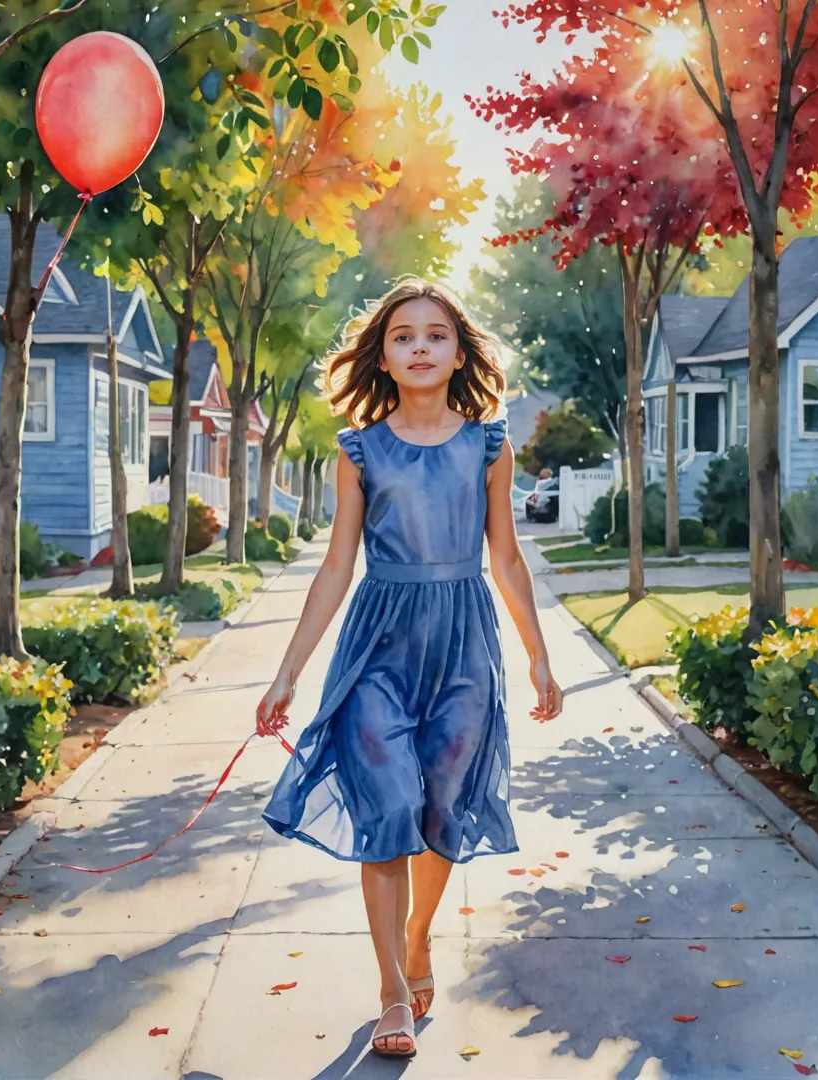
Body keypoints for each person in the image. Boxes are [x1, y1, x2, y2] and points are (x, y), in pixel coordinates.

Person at [254, 278, 564, 1058]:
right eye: (402, 336)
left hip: (463, 647)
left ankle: (417, 940)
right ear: (383, 357)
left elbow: (507, 557)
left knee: (440, 816)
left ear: (459, 352)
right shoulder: (359, 451)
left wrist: (539, 659)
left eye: (435, 334)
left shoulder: (489, 445)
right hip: (378, 649)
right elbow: (334, 565)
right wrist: (288, 671)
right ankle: (393, 990)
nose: (419, 346)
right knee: (388, 809)